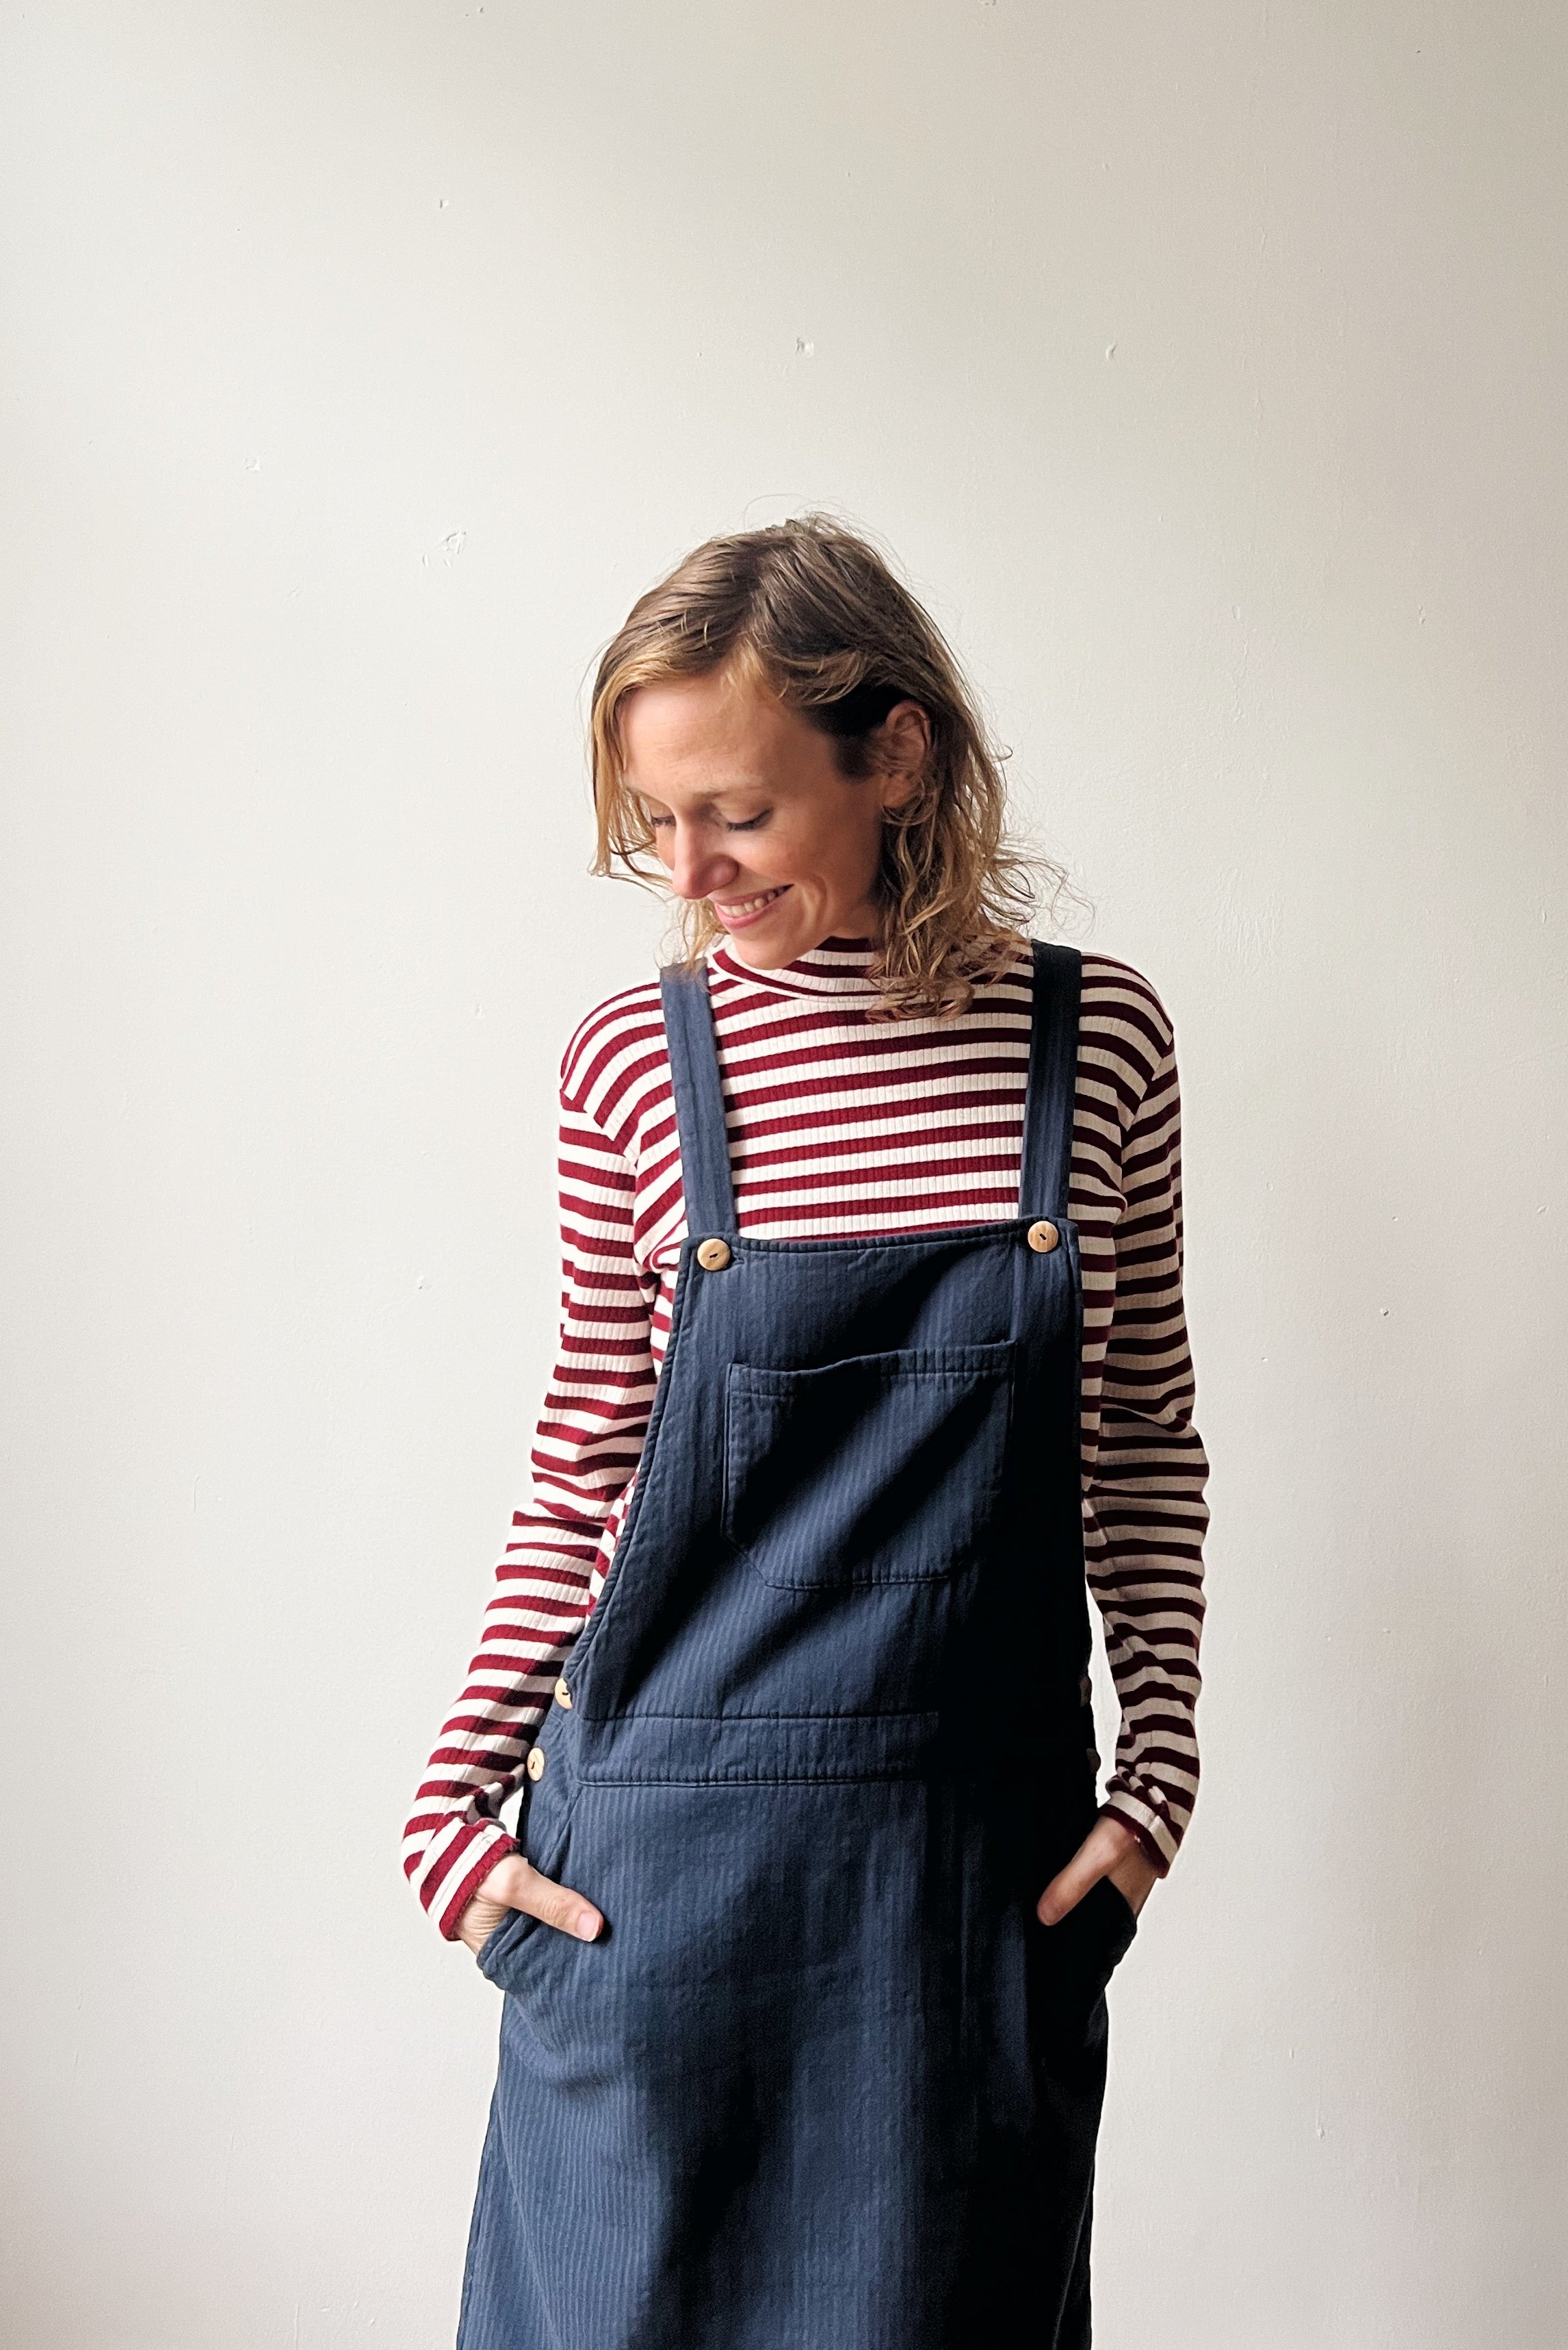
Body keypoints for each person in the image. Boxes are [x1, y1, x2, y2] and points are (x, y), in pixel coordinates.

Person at [403, 516, 1209, 2349]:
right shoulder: (631, 1059)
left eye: (737, 811)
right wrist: (448, 1809)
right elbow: (585, 1460)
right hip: (653, 1897)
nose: (688, 867)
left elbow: (1144, 1438)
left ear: (897, 752)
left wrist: (1154, 1780)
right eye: (652, 822)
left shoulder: (1096, 1047)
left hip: (955, 1904)